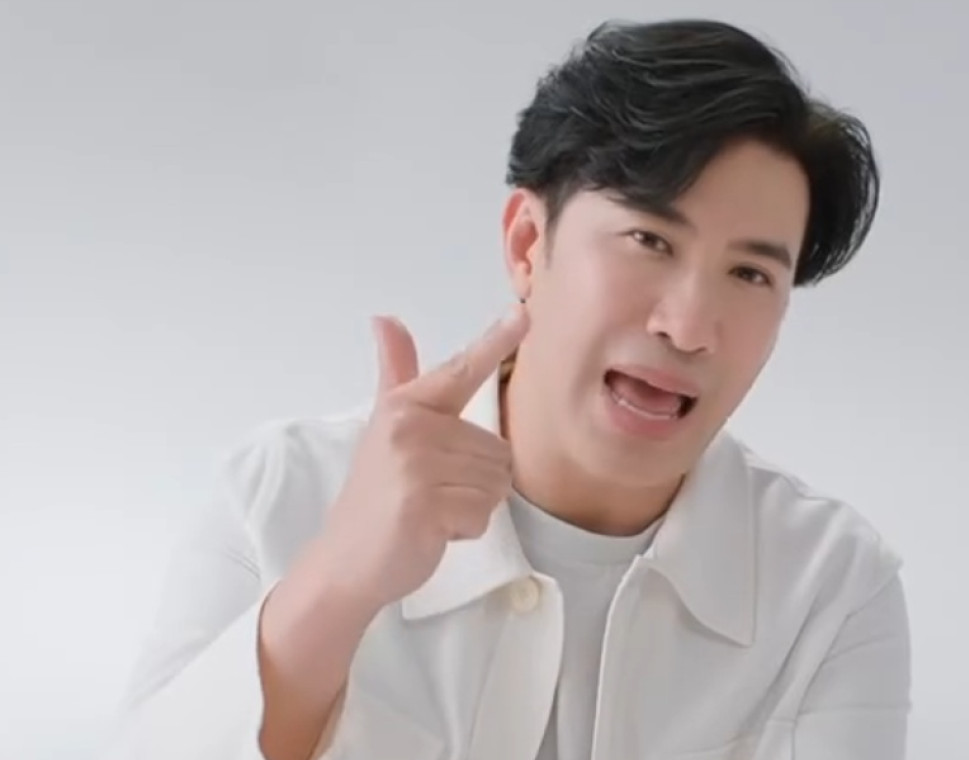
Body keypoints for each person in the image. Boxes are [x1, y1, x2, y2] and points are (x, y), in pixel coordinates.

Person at [104, 17, 910, 760]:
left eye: (750, 274)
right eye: (649, 239)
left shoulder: (831, 588)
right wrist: (338, 582)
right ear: (529, 244)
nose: (690, 325)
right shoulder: (282, 490)